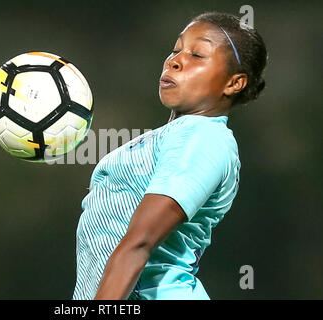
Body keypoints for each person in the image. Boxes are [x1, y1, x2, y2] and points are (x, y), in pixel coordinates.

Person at [72, 11, 267, 300]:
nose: (175, 60)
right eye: (176, 50)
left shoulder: (204, 137)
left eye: (197, 55)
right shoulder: (172, 136)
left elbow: (140, 243)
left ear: (233, 83)